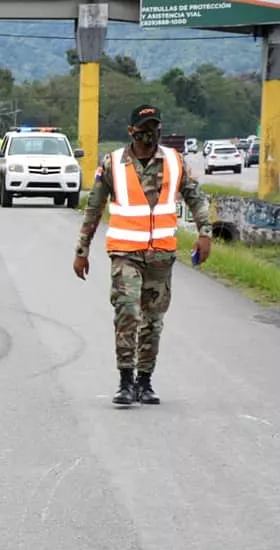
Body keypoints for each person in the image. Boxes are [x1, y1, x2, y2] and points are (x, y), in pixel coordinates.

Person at [74, 104, 213, 406]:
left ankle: (144, 381)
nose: (149, 132)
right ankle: (125, 381)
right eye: (144, 127)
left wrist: (205, 233)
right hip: (125, 253)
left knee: (152, 321)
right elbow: (94, 209)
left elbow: (196, 197)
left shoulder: (175, 162)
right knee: (127, 312)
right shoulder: (112, 164)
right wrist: (82, 250)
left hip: (161, 256)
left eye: (154, 126)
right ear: (131, 131)